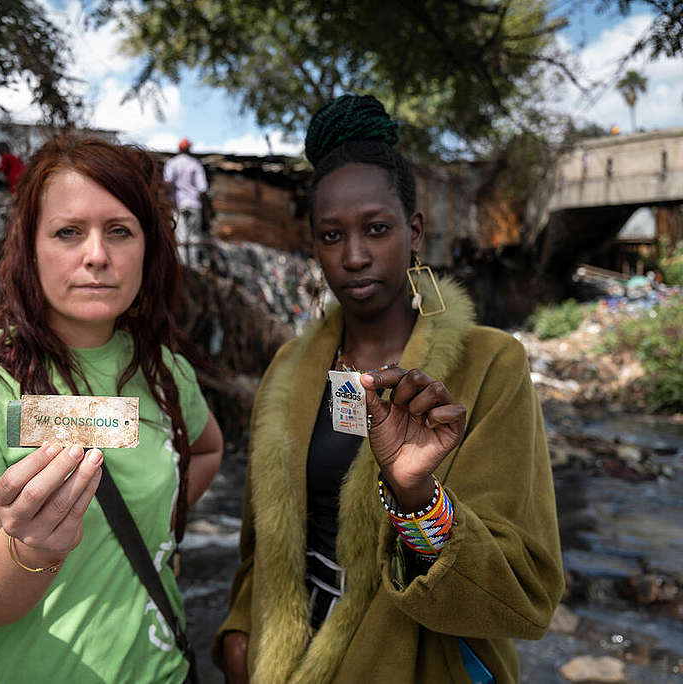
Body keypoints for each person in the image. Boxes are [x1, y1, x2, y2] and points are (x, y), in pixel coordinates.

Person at [214, 94, 563, 683]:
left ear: (414, 231)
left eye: (376, 229)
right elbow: (263, 548)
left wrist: (415, 494)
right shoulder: (288, 371)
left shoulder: (490, 365)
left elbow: (523, 591)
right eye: (331, 235)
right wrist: (240, 633)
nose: (353, 256)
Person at [0, 135, 224, 683]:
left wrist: (155, 513)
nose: (96, 255)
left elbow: (208, 446)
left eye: (119, 231)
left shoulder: (166, 372)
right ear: (29, 248)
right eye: (68, 232)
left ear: (149, 249)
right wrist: (31, 547)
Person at [162, 138, 208, 267]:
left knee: (180, 235)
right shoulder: (195, 164)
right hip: (194, 204)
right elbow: (202, 187)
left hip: (178, 205)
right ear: (189, 149)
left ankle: (182, 266)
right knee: (193, 237)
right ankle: (192, 267)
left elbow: (167, 182)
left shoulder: (172, 163)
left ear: (179, 149)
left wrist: (171, 196)